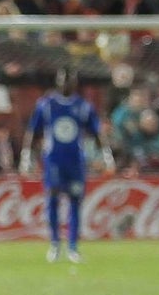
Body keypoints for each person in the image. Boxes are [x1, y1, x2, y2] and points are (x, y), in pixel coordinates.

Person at [19, 67, 114, 263]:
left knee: (75, 203)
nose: (65, 83)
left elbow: (96, 132)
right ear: (57, 81)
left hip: (76, 162)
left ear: (75, 83)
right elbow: (33, 132)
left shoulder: (83, 106)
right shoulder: (46, 104)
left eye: (69, 80)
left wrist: (106, 156)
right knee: (52, 201)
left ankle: (72, 247)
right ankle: (54, 244)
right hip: (53, 161)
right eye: (62, 79)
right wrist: (26, 155)